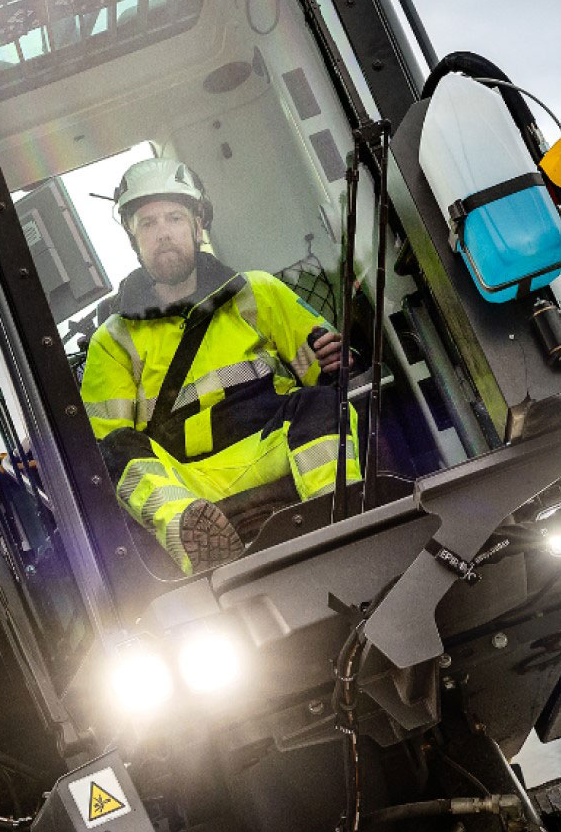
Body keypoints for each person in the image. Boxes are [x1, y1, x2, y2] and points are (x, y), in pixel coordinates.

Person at [80, 156, 360, 575]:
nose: (163, 234)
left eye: (174, 217)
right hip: (188, 487)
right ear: (133, 240)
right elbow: (106, 444)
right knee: (114, 453)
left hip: (272, 450)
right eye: (148, 224)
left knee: (321, 402)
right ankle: (195, 538)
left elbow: (324, 365)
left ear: (197, 225)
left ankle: (342, 514)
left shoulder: (258, 292)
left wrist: (337, 361)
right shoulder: (112, 341)